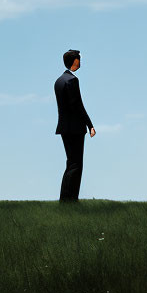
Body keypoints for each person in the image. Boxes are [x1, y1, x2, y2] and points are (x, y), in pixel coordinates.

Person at [54, 49, 95, 202]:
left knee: (70, 163)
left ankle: (65, 198)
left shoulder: (58, 81)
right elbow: (78, 105)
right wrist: (89, 124)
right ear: (75, 62)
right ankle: (71, 199)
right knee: (77, 164)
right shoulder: (72, 81)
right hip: (76, 128)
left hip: (64, 127)